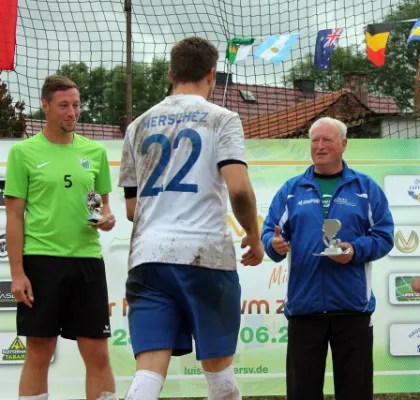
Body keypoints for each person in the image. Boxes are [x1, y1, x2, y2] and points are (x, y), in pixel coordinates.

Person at [118, 36, 264, 400]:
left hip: (148, 258)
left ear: (170, 74)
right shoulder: (222, 118)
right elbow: (239, 190)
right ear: (212, 74)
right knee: (220, 375)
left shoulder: (138, 125)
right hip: (205, 256)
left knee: (148, 373)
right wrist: (253, 234)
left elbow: (132, 209)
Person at [261, 117, 394, 400]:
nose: (319, 146)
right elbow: (269, 232)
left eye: (327, 140)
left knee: (355, 393)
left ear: (343, 144)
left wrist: (355, 250)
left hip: (352, 307)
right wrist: (274, 244)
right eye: (314, 140)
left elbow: (384, 236)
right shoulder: (292, 190)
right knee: (302, 393)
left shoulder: (365, 188)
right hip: (304, 308)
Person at [4, 75, 118, 400]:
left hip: (87, 261)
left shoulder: (94, 152)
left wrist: (104, 219)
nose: (72, 112)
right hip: (42, 262)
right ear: (45, 106)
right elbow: (14, 217)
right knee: (39, 353)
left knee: (98, 353)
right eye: (64, 105)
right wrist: (17, 273)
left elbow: (98, 205)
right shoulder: (23, 153)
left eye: (76, 105)